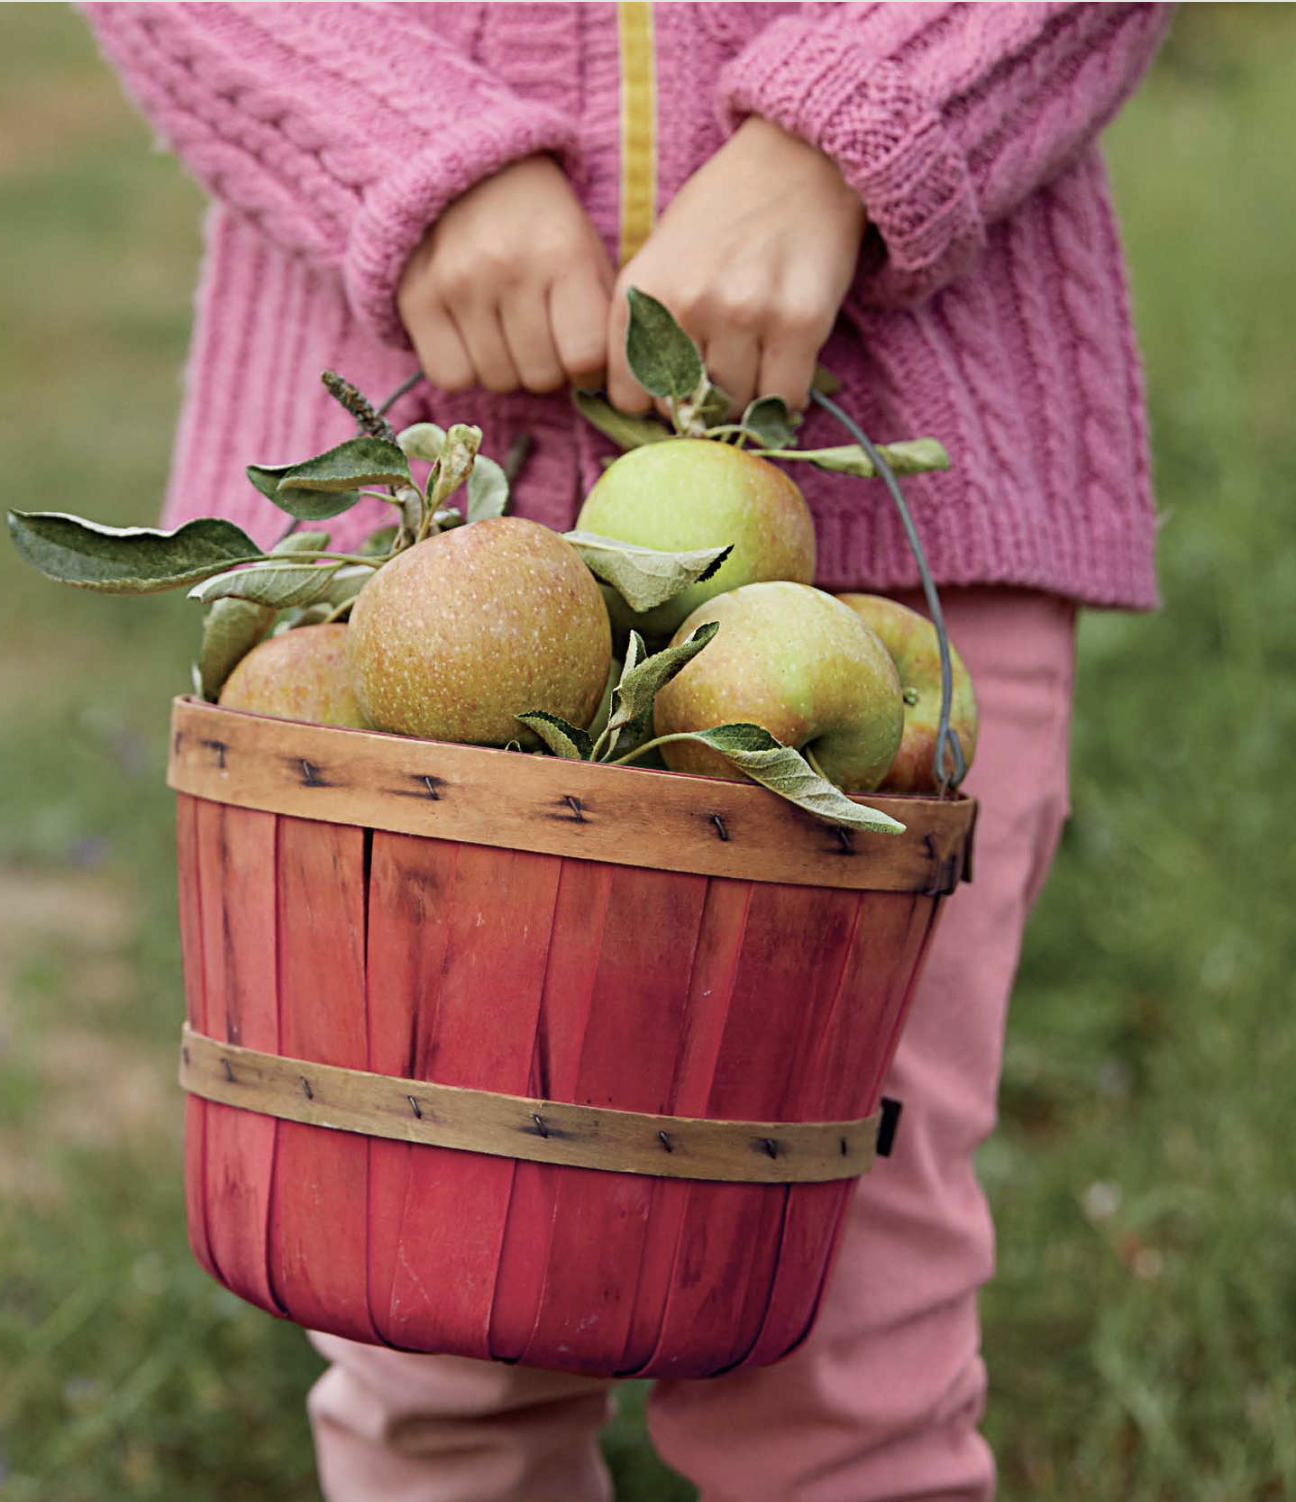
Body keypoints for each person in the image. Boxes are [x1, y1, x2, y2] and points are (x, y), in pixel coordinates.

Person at [83, 4, 1173, 1498]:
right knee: (430, 1345)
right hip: (410, 564)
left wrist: (851, 123)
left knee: (848, 1364)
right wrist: (401, 148)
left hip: (882, 552)